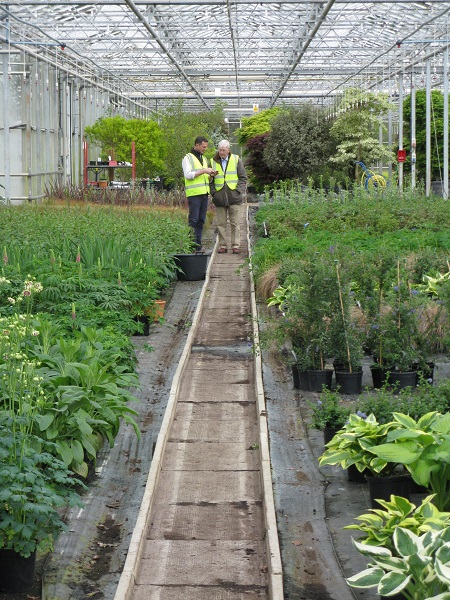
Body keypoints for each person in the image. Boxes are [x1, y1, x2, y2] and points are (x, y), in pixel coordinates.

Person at [210, 140, 247, 254]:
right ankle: (222, 245)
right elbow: (210, 179)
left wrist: (238, 191)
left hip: (234, 197)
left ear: (228, 150)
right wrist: (213, 193)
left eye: (223, 150)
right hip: (219, 197)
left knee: (235, 223)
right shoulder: (212, 162)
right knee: (220, 224)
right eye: (220, 150)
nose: (221, 152)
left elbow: (243, 177)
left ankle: (235, 245)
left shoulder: (236, 160)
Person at [182, 136, 216, 251]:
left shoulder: (204, 159)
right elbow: (188, 175)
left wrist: (210, 175)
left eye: (206, 147)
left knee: (201, 220)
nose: (205, 149)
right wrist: (204, 171)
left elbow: (204, 177)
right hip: (194, 194)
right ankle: (191, 244)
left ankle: (198, 244)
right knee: (193, 220)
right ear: (196, 145)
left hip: (204, 194)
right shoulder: (188, 158)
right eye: (203, 147)